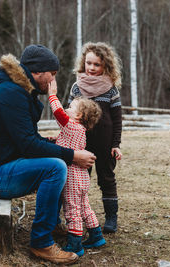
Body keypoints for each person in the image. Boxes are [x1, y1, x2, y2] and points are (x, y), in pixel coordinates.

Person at [0, 44, 96, 265]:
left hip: (0, 167)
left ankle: (52, 224)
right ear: (37, 72)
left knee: (57, 161)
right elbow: (28, 145)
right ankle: (41, 243)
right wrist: (73, 154)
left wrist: (52, 144)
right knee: (56, 167)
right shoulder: (11, 93)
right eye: (52, 74)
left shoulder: (18, 91)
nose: (53, 80)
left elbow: (27, 140)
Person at [68, 42, 123, 233]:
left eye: (97, 65)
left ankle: (111, 218)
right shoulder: (77, 88)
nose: (91, 68)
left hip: (105, 145)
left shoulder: (111, 89)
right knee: (79, 182)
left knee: (107, 179)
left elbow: (117, 120)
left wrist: (116, 144)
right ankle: (78, 216)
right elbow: (69, 117)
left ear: (105, 66)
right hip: (81, 146)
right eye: (88, 63)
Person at [47, 80, 106, 257]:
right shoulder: (79, 130)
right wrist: (54, 141)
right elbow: (67, 144)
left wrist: (52, 95)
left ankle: (74, 244)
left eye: (71, 107)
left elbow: (57, 112)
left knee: (72, 210)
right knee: (84, 207)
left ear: (79, 116)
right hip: (82, 178)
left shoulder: (72, 125)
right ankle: (96, 235)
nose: (66, 108)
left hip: (72, 177)